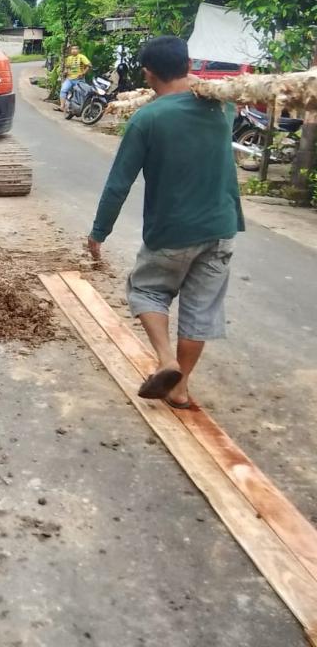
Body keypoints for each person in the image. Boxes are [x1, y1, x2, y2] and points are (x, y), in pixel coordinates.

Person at [87, 36, 244, 409]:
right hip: (221, 228)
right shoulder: (222, 108)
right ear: (188, 64)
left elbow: (118, 184)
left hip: (172, 232)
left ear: (148, 73)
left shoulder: (147, 118)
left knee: (147, 290)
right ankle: (180, 387)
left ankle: (166, 360)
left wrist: (99, 232)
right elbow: (221, 99)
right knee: (200, 310)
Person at [59, 45, 91, 113]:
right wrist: (65, 71)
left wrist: (83, 73)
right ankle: (62, 106)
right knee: (63, 90)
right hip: (69, 78)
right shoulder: (69, 58)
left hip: (79, 79)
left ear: (78, 50)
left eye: (76, 49)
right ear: (70, 50)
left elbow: (89, 65)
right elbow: (67, 67)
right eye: (72, 49)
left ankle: (81, 109)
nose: (74, 50)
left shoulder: (81, 57)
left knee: (80, 94)